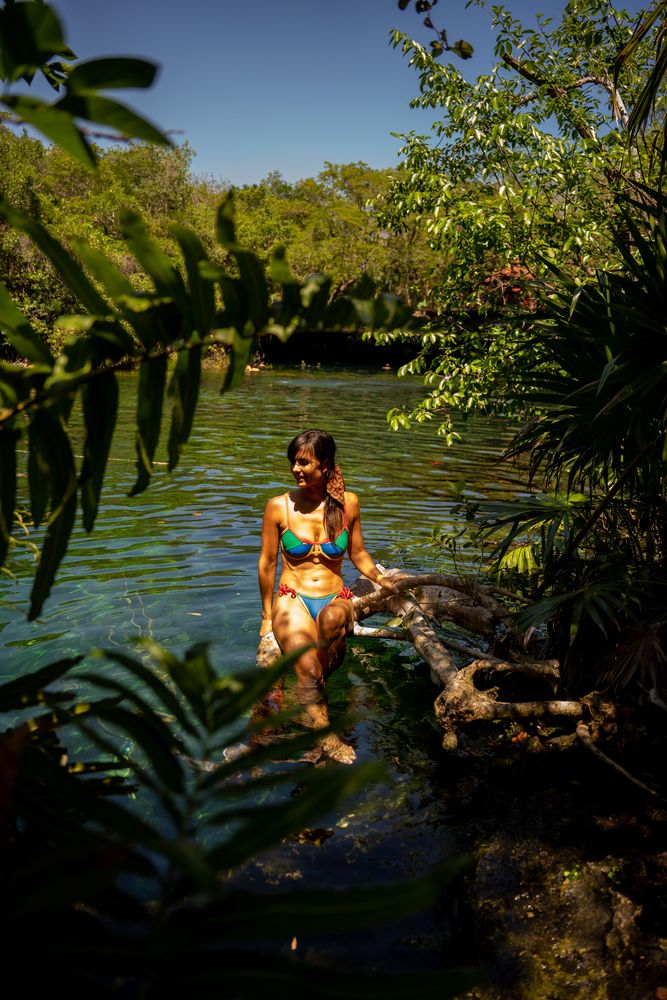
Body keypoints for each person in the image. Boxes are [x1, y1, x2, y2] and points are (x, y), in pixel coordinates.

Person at [258, 428, 401, 763]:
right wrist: (266, 616)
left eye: (304, 462)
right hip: (292, 599)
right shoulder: (278, 507)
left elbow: (359, 554)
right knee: (308, 671)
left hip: (334, 598)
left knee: (323, 665)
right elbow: (266, 563)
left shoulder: (347, 503)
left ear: (325, 465)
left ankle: (294, 711)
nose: (296, 469)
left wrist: (382, 579)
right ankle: (327, 734)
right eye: (293, 462)